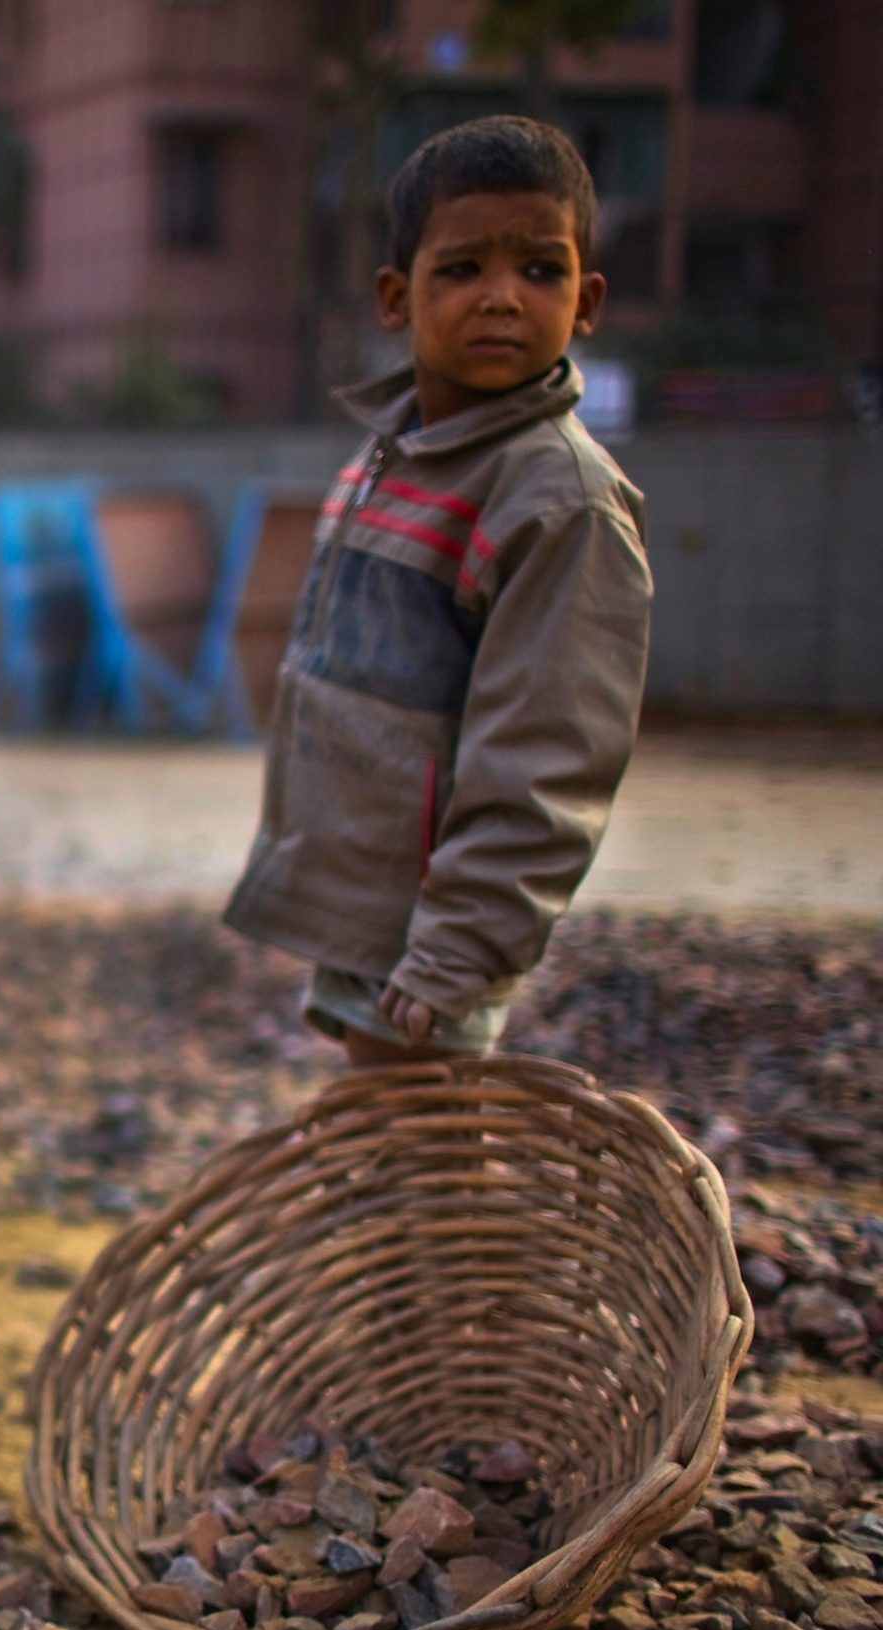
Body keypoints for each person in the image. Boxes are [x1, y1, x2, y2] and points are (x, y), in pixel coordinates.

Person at [225, 116, 651, 1065]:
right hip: (372, 911)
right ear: (394, 295)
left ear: (586, 301)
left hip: (433, 930)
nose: (502, 298)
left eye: (540, 270)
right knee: (392, 1159)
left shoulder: (557, 501)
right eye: (462, 269)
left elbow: (548, 757)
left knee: (433, 1167)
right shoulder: (404, 455)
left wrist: (458, 950)